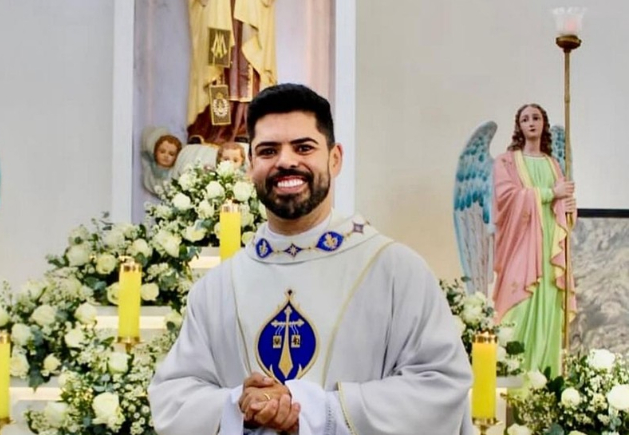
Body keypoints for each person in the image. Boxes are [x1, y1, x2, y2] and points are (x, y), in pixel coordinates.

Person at [149, 83, 472, 435]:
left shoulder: (396, 271)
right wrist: (238, 405)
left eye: (303, 147)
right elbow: (174, 397)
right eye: (268, 150)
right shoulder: (217, 288)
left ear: (335, 159)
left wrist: (317, 411)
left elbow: (440, 385)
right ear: (250, 165)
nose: (286, 161)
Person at [492, 103, 576, 378]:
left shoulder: (553, 164)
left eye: (536, 117)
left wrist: (568, 207)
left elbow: (561, 211)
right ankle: (513, 375)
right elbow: (506, 199)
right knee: (518, 306)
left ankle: (544, 380)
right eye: (525, 118)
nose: (531, 122)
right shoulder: (506, 162)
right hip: (522, 245)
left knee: (548, 308)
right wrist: (551, 193)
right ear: (519, 126)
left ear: (543, 124)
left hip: (550, 248)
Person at [187, 0, 277, 145]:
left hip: (247, 11)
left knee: (247, 66)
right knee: (217, 67)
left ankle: (244, 127)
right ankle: (215, 128)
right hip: (218, 11)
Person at [140, 127, 183, 195]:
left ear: (176, 157)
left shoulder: (174, 174)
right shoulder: (149, 170)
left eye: (171, 154)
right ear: (155, 152)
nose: (166, 156)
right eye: (162, 151)